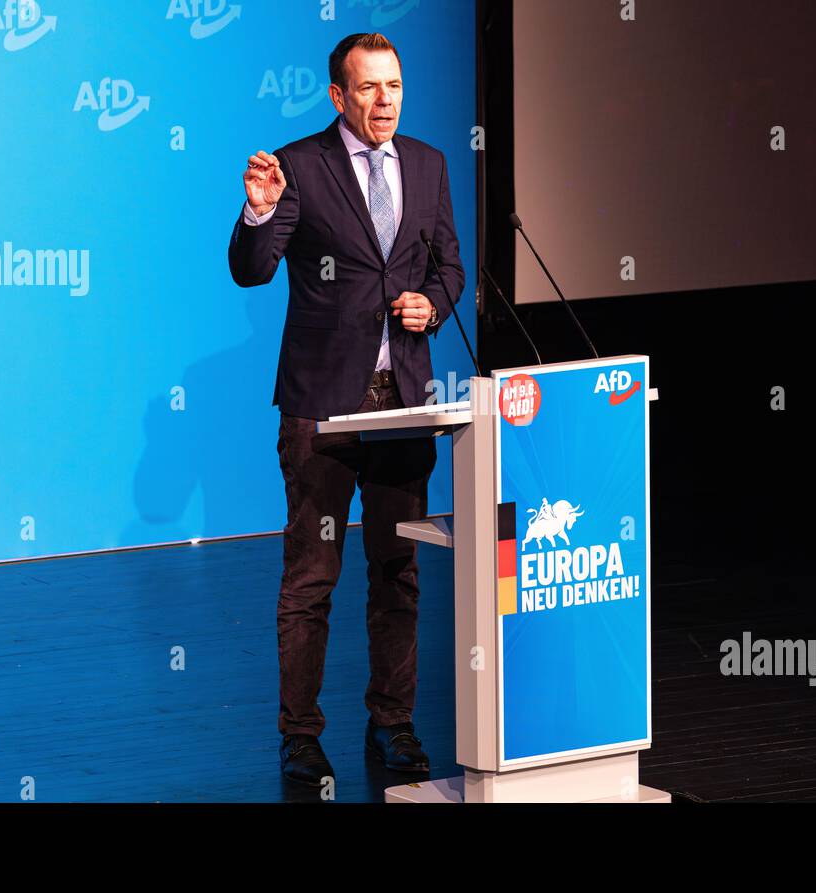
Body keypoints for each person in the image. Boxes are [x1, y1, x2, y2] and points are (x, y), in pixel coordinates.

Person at [227, 32, 465, 787]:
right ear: (338, 96)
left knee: (397, 569)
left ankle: (392, 721)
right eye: (368, 88)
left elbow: (449, 264)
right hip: (321, 411)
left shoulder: (428, 165)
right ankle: (300, 735)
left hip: (404, 404)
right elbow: (251, 272)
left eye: (394, 85)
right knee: (312, 577)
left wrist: (432, 302)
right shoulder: (299, 167)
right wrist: (259, 213)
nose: (385, 100)